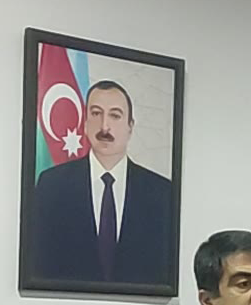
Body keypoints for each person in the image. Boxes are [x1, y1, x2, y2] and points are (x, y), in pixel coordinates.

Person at [22, 80, 174, 286]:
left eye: (115, 115)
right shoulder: (52, 185)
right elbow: (39, 263)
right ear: (85, 123)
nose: (104, 126)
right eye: (96, 113)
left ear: (130, 127)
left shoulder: (161, 192)